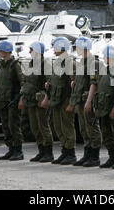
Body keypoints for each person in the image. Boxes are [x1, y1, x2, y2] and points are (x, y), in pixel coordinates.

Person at [41, 37, 77, 165]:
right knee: (58, 126)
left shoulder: (69, 62)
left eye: (55, 47)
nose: (53, 49)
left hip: (65, 99)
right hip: (56, 100)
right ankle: (64, 151)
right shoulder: (57, 62)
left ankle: (70, 153)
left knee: (67, 127)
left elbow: (74, 84)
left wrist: (72, 103)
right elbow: (53, 80)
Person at [68, 37, 102, 167]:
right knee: (84, 128)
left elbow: (94, 83)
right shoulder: (82, 62)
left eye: (77, 47)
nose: (76, 49)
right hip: (80, 101)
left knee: (92, 127)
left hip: (88, 101)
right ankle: (87, 154)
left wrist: (89, 101)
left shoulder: (93, 62)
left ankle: (95, 156)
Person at [93, 45, 114, 169]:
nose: (104, 57)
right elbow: (100, 90)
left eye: (106, 55)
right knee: (107, 134)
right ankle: (112, 157)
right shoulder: (106, 71)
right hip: (104, 109)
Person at [19, 41, 54, 163]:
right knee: (34, 127)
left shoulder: (45, 64)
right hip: (31, 100)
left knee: (43, 126)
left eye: (31, 49)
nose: (29, 52)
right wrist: (22, 98)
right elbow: (26, 82)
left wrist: (47, 98)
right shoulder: (31, 64)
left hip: (40, 100)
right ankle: (41, 151)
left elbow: (50, 83)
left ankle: (48, 153)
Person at [0, 40, 25, 161]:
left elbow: (23, 81)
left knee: (14, 126)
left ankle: (18, 151)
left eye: (0, 51)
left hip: (12, 100)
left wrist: (21, 99)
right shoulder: (1, 64)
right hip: (2, 100)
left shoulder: (15, 65)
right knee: (5, 126)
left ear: (6, 51)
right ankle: (11, 149)